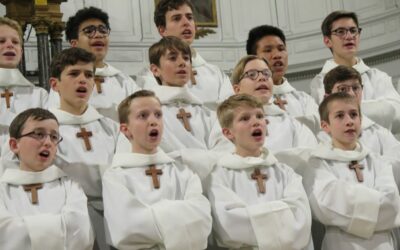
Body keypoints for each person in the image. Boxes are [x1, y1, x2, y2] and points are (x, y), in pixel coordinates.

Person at [103, 90, 212, 249]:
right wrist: (180, 217)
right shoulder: (115, 176)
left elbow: (203, 219)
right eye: (143, 116)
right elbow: (126, 229)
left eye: (158, 115)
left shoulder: (182, 171)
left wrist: (152, 215)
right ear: (126, 129)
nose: (153, 121)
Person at [206, 93, 312, 249]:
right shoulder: (219, 175)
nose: (256, 122)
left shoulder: (285, 172)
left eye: (260, 116)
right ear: (228, 133)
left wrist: (252, 215)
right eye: (245, 118)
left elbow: (301, 220)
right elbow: (228, 226)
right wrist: (282, 214)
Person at [303, 92, 400, 250]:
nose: (349, 121)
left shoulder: (378, 161)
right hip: (341, 244)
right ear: (325, 125)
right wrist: (376, 205)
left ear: (360, 120)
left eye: (353, 114)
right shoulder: (318, 164)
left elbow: (392, 205)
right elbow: (326, 207)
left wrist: (348, 201)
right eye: (340, 116)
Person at [49, 47, 119, 250]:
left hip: (112, 215)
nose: (83, 80)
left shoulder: (110, 127)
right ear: (55, 84)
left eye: (89, 75)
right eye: (73, 73)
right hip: (67, 219)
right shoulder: (45, 130)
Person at [0, 108, 93, 250]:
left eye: (54, 137)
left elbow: (81, 234)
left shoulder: (71, 186)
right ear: (14, 145)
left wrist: (22, 228)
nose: (48, 142)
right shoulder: (2, 189)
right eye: (38, 134)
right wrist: (61, 227)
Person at [310, 10, 400, 135]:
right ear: (327, 41)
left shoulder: (378, 76)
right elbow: (326, 121)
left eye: (353, 30)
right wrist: (377, 109)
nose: (349, 36)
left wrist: (344, 110)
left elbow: (396, 115)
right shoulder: (320, 82)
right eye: (340, 31)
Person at [136, 0, 233, 110]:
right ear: (162, 30)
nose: (186, 22)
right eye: (177, 18)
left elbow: (230, 114)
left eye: (189, 17)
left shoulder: (217, 74)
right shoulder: (149, 77)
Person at [47, 6, 139, 121]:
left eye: (103, 30)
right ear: (74, 43)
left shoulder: (124, 81)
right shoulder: (63, 82)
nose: (98, 35)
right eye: (89, 31)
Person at [210, 55, 317, 153]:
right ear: (237, 89)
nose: (262, 78)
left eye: (266, 73)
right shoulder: (225, 122)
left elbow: (309, 159)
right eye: (252, 74)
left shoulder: (293, 124)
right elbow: (223, 158)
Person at [319, 65, 400, 188]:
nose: (351, 94)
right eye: (343, 89)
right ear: (327, 97)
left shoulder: (380, 133)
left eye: (356, 88)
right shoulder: (321, 137)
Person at [246, 24, 319, 133]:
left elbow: (316, 131)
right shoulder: (245, 102)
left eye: (281, 49)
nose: (277, 55)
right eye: (268, 50)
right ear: (253, 58)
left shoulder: (304, 100)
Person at [0, 17, 48, 154]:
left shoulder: (38, 94)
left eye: (15, 42)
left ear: (21, 52)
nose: (10, 45)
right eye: (1, 41)